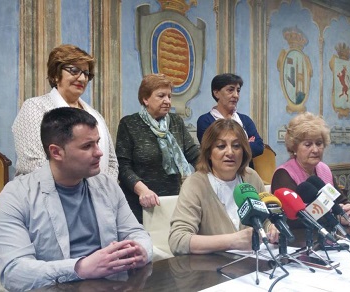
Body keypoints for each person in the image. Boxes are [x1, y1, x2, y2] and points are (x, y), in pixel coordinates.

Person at [0, 107, 152, 291]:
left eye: (97, 143)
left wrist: (141, 250)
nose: (99, 152)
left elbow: (137, 233)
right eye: (87, 146)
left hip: (110, 285)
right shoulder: (16, 196)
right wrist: (79, 268)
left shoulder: (107, 185)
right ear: (56, 152)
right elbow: (14, 273)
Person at [169, 119, 279, 255]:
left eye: (236, 146)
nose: (230, 152)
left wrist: (272, 228)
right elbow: (178, 241)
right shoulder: (195, 184)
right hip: (210, 270)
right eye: (221, 146)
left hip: (252, 265)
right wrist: (233, 241)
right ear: (209, 152)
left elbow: (265, 219)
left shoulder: (251, 177)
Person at [13, 44, 118, 179]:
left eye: (86, 73)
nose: (82, 78)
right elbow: (32, 163)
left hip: (99, 195)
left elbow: (112, 162)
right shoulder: (35, 107)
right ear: (55, 75)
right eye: (74, 70)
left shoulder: (95, 115)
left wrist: (103, 190)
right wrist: (79, 189)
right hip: (46, 195)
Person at [115, 74, 199, 223]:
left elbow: (193, 153)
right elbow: (123, 166)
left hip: (172, 201)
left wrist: (212, 172)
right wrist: (143, 191)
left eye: (169, 96)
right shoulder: (129, 124)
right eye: (161, 96)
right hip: (138, 203)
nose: (167, 101)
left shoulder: (176, 122)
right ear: (145, 99)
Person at [271, 112, 350, 225]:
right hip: (299, 238)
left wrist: (349, 210)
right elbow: (292, 220)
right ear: (294, 148)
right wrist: (335, 218)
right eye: (308, 144)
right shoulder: (283, 174)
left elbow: (341, 200)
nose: (316, 150)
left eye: (319, 143)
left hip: (330, 236)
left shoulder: (324, 169)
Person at [196, 73, 264, 163]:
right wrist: (245, 144)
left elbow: (259, 147)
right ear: (216, 93)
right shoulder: (205, 121)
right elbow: (212, 149)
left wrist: (227, 145)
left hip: (244, 173)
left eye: (238, 91)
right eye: (230, 90)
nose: (236, 95)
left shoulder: (245, 120)